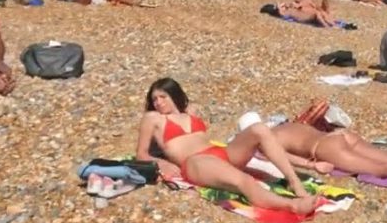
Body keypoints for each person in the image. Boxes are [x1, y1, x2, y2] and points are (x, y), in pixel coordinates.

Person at [134, 78, 318, 214]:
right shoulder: (152, 118)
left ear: (174, 96)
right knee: (244, 180)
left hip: (220, 153)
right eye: (155, 99)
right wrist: (163, 163)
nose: (158, 102)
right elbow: (141, 154)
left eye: (162, 96)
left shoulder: (190, 113)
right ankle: (291, 205)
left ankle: (294, 181)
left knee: (260, 129)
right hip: (197, 163)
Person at [243, 113, 387, 200]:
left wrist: (313, 166)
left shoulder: (267, 140)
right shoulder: (285, 125)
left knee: (384, 168)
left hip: (324, 148)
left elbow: (284, 159)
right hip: (340, 136)